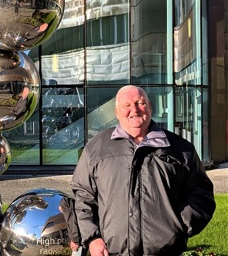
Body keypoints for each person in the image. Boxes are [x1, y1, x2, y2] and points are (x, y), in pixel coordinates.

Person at [70, 85, 216, 256]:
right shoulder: (97, 148)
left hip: (165, 252)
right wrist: (92, 238)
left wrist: (179, 226)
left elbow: (201, 193)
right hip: (112, 252)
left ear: (150, 107)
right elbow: (83, 195)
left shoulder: (180, 149)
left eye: (140, 103)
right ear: (117, 112)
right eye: (127, 105)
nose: (134, 110)